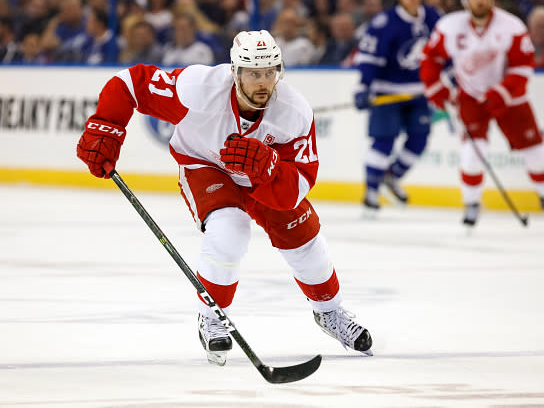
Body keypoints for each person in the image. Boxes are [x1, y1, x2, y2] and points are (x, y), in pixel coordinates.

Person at [75, 30, 373, 366]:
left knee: (303, 235)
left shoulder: (294, 111)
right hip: (206, 166)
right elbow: (129, 82)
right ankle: (212, 317)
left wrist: (270, 165)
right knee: (229, 231)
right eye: (253, 73)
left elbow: (299, 185)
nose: (263, 82)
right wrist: (106, 126)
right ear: (235, 71)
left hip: (264, 180)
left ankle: (329, 312)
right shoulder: (197, 88)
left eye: (269, 72)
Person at [419, 0, 544, 226]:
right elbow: (431, 58)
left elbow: (523, 66)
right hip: (470, 98)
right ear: (465, 0)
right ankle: (471, 203)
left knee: (536, 154)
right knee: (472, 155)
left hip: (511, 99)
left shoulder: (511, 25)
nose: (480, 0)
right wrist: (436, 89)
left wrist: (501, 92)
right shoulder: (449, 26)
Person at [353, 0, 441, 213]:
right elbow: (370, 57)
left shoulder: (433, 17)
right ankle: (371, 190)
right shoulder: (384, 22)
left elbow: (445, 53)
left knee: (419, 140)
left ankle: (392, 176)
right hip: (387, 92)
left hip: (418, 93)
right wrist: (364, 86)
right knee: (384, 141)